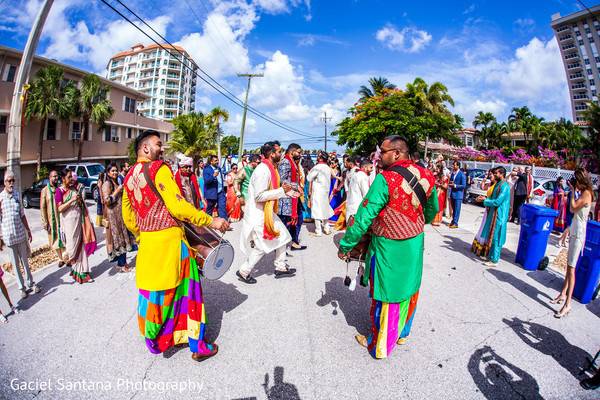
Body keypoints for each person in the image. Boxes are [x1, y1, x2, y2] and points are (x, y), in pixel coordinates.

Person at [122, 130, 229, 361]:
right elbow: (178, 206)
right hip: (171, 243)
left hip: (148, 244)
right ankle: (198, 345)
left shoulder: (129, 176)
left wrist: (144, 237)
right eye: (159, 144)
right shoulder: (159, 169)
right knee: (189, 293)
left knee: (154, 294)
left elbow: (128, 217)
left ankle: (156, 340)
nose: (162, 149)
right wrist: (211, 220)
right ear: (146, 148)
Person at [338, 135, 438, 359]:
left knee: (387, 292)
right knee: (410, 286)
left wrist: (346, 245)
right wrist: (414, 222)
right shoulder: (426, 174)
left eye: (382, 152)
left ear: (396, 153)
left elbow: (364, 217)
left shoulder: (385, 179)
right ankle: (402, 333)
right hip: (415, 242)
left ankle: (379, 344)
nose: (377, 156)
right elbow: (432, 211)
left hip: (389, 246)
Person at [235, 141, 296, 284]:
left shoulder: (271, 168)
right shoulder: (263, 170)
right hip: (258, 214)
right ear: (272, 154)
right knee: (263, 246)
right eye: (279, 151)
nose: (281, 154)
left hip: (266, 212)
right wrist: (282, 191)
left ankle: (280, 267)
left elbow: (272, 190)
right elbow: (259, 196)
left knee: (284, 237)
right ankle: (244, 271)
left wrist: (288, 192)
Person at [550, 169, 594, 318]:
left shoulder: (586, 193)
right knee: (569, 266)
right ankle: (562, 294)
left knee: (571, 269)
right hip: (575, 231)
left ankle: (567, 304)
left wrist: (573, 191)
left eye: (576, 180)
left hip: (579, 235)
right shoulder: (583, 192)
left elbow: (572, 208)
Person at [0, 171, 39, 299]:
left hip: (21, 235)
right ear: (4, 183)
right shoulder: (0, 198)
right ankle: (22, 288)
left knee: (25, 262)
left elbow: (22, 215)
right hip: (9, 238)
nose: (11, 183)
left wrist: (28, 230)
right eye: (9, 181)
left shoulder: (17, 195)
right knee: (15, 265)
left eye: (13, 181)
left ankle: (31, 283)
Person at [56, 168, 97, 284]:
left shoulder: (74, 188)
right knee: (72, 248)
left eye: (71, 177)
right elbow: (60, 208)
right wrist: (71, 200)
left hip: (79, 221)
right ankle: (76, 271)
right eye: (68, 177)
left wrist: (79, 201)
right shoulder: (59, 191)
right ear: (63, 179)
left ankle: (84, 271)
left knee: (82, 246)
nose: (71, 179)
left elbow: (79, 204)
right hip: (68, 224)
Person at [102, 163, 133, 273]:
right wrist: (117, 191)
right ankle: (121, 264)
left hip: (120, 214)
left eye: (116, 171)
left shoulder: (116, 182)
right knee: (118, 240)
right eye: (112, 171)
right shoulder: (107, 184)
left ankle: (122, 263)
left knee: (123, 238)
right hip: (113, 216)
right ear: (108, 173)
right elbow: (106, 201)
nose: (115, 172)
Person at [277, 143, 307, 251]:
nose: (300, 154)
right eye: (298, 152)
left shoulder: (293, 162)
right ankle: (281, 248)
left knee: (298, 219)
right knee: (285, 224)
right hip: (286, 198)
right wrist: (296, 186)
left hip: (294, 197)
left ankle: (293, 241)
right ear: (292, 151)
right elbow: (281, 180)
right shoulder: (285, 162)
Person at [40, 169, 67, 267]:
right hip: (51, 220)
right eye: (53, 176)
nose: (56, 178)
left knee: (63, 237)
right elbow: (42, 207)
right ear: (49, 178)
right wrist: (45, 222)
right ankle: (60, 259)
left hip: (61, 217)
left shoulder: (60, 189)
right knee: (54, 239)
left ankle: (66, 258)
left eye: (56, 176)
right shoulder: (45, 191)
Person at [307, 152, 335, 236]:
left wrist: (309, 172)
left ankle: (318, 230)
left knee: (316, 210)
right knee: (324, 209)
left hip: (318, 191)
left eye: (318, 156)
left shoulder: (317, 167)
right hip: (325, 191)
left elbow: (309, 178)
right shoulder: (327, 167)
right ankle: (326, 228)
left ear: (321, 158)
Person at [346, 158, 372, 223]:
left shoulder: (356, 174)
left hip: (351, 205)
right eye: (371, 167)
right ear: (365, 167)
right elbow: (366, 194)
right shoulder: (363, 176)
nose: (372, 170)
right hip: (357, 207)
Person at [448, 161, 466, 228]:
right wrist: (450, 184)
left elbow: (464, 185)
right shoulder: (453, 173)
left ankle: (456, 223)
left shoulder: (462, 174)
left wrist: (455, 186)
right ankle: (453, 221)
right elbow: (452, 182)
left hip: (458, 195)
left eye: (454, 165)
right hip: (452, 194)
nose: (453, 166)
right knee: (453, 209)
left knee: (457, 209)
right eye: (453, 165)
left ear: (458, 166)